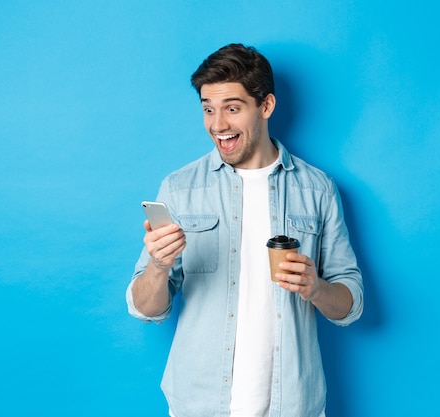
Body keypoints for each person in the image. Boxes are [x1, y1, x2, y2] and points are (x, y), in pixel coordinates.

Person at [126, 43, 363, 417]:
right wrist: (158, 265)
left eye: (232, 108)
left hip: (293, 405)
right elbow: (145, 309)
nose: (217, 125)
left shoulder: (318, 189)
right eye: (208, 109)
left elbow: (350, 306)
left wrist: (315, 287)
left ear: (266, 106)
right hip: (198, 404)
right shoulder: (179, 188)